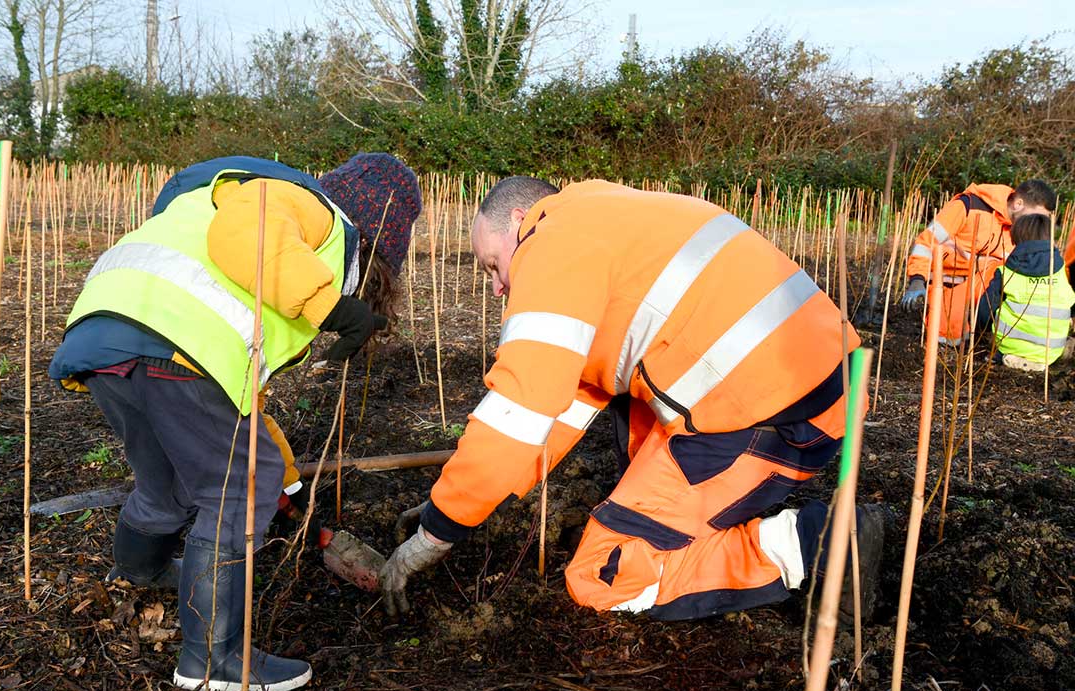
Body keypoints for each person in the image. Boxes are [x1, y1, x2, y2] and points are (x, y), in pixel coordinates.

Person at [379, 177, 885, 623]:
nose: (497, 287)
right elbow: (557, 411)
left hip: (776, 409)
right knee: (628, 412)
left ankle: (817, 542)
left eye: (493, 264)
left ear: (520, 220)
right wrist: (451, 501)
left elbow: (518, 411)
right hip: (808, 382)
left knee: (604, 574)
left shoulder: (550, 243)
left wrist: (434, 536)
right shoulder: (601, 218)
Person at [50, 154, 422, 691]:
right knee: (236, 490)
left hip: (104, 334)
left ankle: (140, 572)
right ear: (376, 233)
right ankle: (212, 661)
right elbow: (247, 233)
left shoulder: (222, 206)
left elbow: (247, 413)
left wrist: (288, 485)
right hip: (174, 343)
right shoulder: (312, 207)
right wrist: (335, 309)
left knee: (170, 481)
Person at [899, 180, 1055, 344]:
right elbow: (926, 243)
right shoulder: (968, 206)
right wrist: (917, 279)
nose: (1036, 223)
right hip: (946, 283)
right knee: (945, 336)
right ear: (1018, 204)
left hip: (981, 285)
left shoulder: (1020, 228)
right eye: (1035, 216)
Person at [982, 213, 1075, 371]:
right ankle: (1045, 360)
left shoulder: (1005, 272)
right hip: (1051, 351)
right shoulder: (1061, 273)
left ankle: (1004, 355)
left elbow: (985, 312)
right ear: (1051, 239)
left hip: (1007, 345)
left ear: (1015, 239)